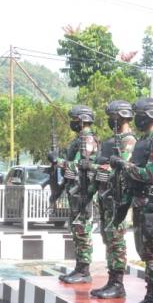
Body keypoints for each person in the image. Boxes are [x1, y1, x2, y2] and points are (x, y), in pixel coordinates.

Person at [111, 98, 153, 303]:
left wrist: (124, 165)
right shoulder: (144, 141)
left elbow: (150, 173)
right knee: (146, 252)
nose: (136, 117)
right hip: (140, 202)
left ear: (149, 115)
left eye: (139, 114)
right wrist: (124, 203)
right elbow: (136, 177)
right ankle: (149, 296)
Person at [89, 100, 137, 299]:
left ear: (123, 117)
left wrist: (97, 167)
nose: (111, 121)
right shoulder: (110, 141)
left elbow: (120, 166)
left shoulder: (129, 141)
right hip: (105, 195)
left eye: (114, 117)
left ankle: (117, 283)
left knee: (116, 239)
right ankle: (112, 279)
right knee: (108, 238)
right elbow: (100, 163)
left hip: (118, 196)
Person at [48, 105, 98, 284]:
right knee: (76, 229)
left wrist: (58, 160)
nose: (72, 123)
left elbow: (78, 166)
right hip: (74, 190)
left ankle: (84, 270)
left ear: (82, 120)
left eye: (75, 119)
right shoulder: (79, 139)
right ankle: (79, 267)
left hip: (82, 191)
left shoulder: (87, 140)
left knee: (81, 228)